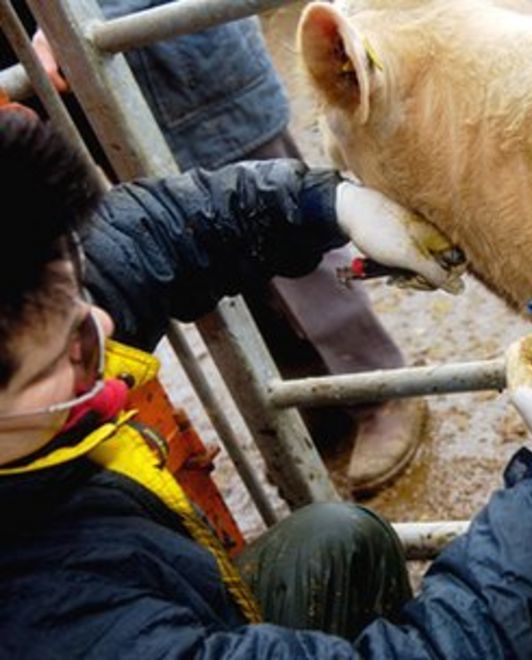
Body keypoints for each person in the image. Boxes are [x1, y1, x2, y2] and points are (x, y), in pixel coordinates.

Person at [0, 108, 532, 658]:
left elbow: (147, 233)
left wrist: (327, 203)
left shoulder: (29, 317)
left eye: (78, 282)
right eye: (76, 349)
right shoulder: (58, 623)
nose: (105, 322)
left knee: (336, 540)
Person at [30, 0, 428, 496]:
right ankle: (312, 403)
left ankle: (379, 389)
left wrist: (72, 25)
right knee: (217, 266)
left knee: (296, 248)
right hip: (115, 106)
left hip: (199, 82)